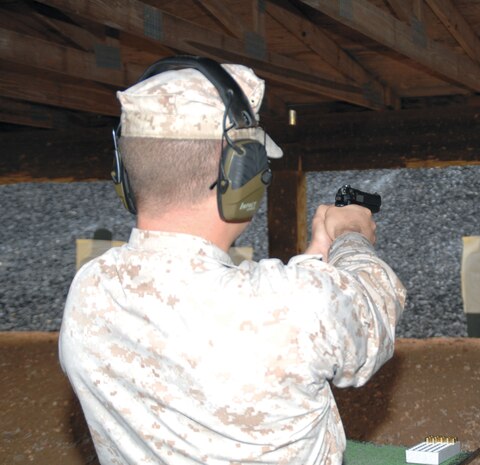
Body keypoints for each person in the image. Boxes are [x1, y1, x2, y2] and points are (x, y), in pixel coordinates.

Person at [59, 57, 406, 465]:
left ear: (124, 174)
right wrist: (351, 237)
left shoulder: (90, 291)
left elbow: (251, 315)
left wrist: (317, 258)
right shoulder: (294, 305)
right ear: (241, 174)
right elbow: (373, 307)